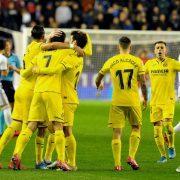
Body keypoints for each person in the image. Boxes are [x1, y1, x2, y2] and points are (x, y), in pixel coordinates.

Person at [11, 31, 87, 171]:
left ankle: (17, 154)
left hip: (37, 92)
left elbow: (24, 72)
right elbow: (59, 68)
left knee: (30, 126)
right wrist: (71, 47)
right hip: (53, 92)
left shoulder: (40, 54)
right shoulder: (64, 54)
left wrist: (36, 70)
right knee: (59, 127)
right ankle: (61, 160)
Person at [35, 31, 89, 170]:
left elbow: (58, 69)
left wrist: (40, 70)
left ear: (75, 43)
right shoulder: (77, 55)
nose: (67, 43)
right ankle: (60, 159)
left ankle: (70, 163)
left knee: (65, 130)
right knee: (56, 128)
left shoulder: (71, 56)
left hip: (66, 97)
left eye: (71, 40)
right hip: (66, 96)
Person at [95, 36, 147, 171]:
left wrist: (99, 85)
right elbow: (143, 83)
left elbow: (98, 77)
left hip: (117, 101)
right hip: (133, 101)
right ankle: (131, 156)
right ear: (130, 47)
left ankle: (117, 164)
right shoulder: (137, 61)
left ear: (119, 47)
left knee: (117, 133)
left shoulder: (111, 61)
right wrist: (145, 99)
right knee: (136, 128)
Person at [145, 41, 180, 163]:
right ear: (154, 51)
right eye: (157, 48)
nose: (159, 50)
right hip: (154, 102)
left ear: (166, 50)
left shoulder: (172, 63)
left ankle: (171, 146)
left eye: (162, 48)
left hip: (168, 100)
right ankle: (163, 156)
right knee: (156, 130)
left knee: (168, 126)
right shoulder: (149, 64)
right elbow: (140, 75)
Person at [0, 39, 12, 131]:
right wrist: (7, 65)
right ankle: (11, 128)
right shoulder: (3, 58)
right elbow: (4, 74)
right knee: (6, 107)